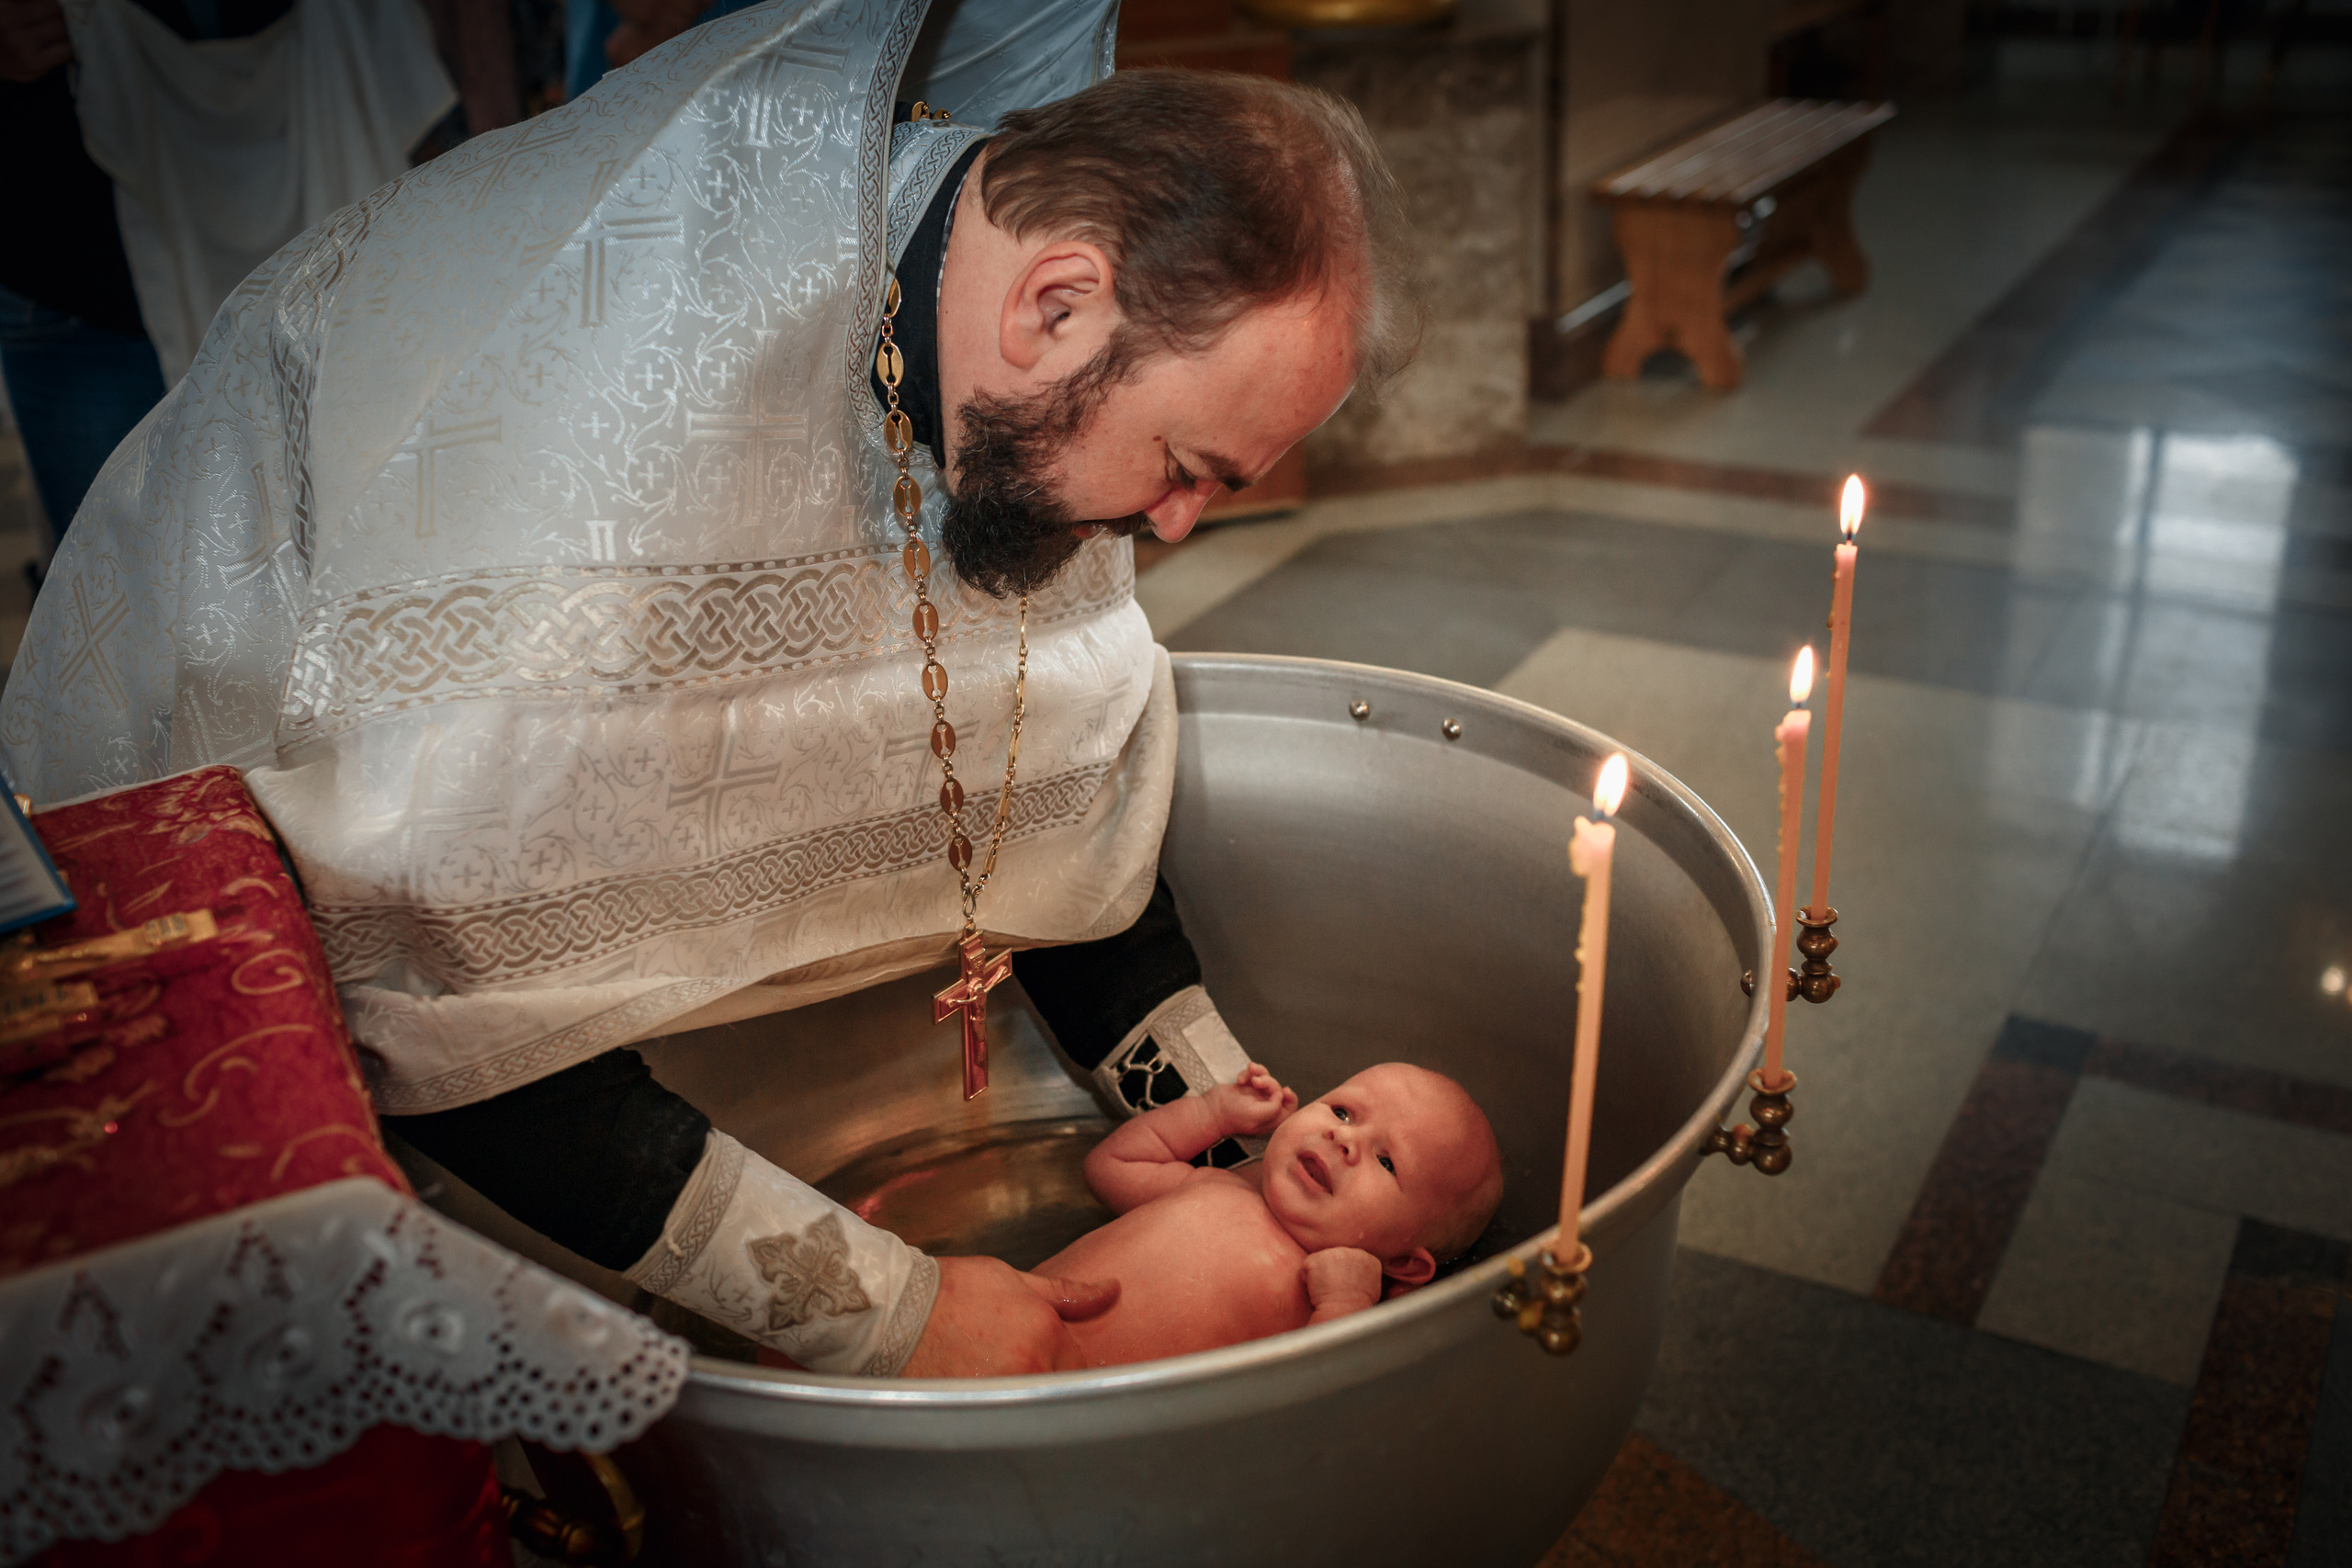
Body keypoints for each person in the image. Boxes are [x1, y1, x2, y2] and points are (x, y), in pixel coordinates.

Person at [1, 0, 1421, 1379]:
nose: (1175, 530)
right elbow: (441, 990)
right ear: (1056, 301)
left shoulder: (1011, 368)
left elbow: (1049, 816)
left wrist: (1271, 1167)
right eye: (1184, 468)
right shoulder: (589, 477)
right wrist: (885, 1307)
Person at [1027, 1062, 1505, 1371]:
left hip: (1077, 1410)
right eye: (1342, 1112)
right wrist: (1213, 1114)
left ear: (1403, 1263)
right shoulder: (1214, 1185)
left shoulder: (1322, 1295)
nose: (1345, 1139)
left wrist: (1346, 1306)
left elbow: (1308, 1399)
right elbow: (1109, 1167)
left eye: (1387, 1162)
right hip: (1004, 1314)